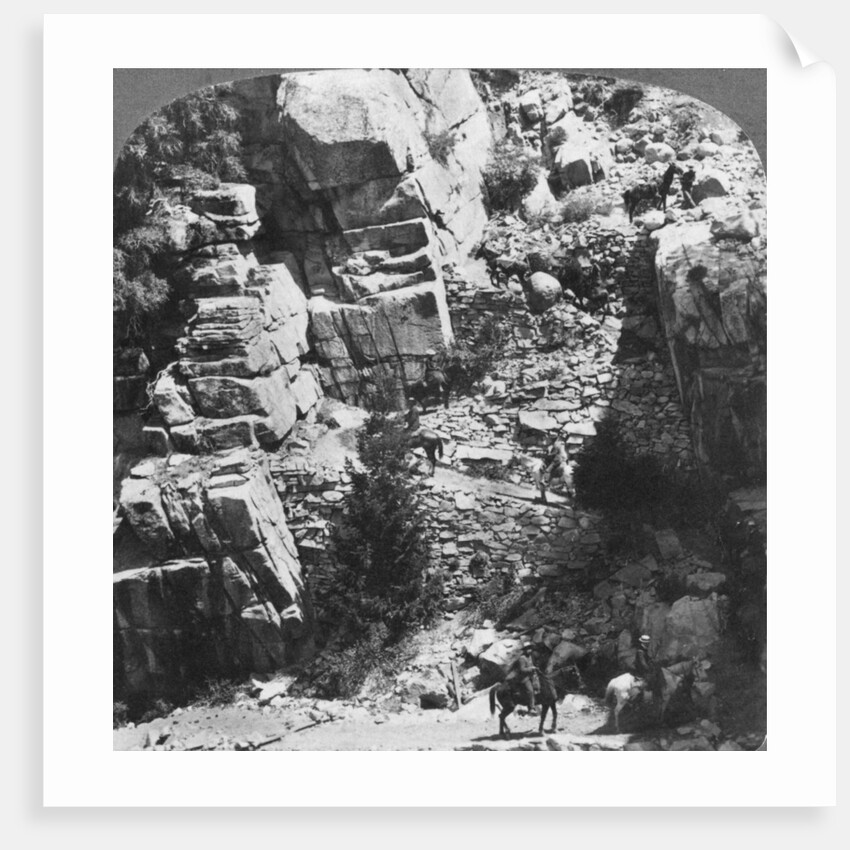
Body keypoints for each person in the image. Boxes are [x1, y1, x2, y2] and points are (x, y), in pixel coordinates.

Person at [506, 643, 537, 712]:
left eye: (530, 648)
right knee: (530, 691)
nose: (530, 650)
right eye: (528, 648)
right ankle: (531, 707)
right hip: (524, 677)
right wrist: (531, 668)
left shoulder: (530, 656)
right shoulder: (522, 658)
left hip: (531, 675)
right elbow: (522, 669)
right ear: (525, 650)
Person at [634, 634, 661, 702]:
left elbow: (648, 659)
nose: (648, 644)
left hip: (643, 669)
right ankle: (647, 699)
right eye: (647, 643)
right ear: (643, 643)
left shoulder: (644, 650)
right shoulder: (640, 651)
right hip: (640, 670)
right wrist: (649, 669)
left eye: (648, 643)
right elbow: (643, 663)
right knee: (650, 680)